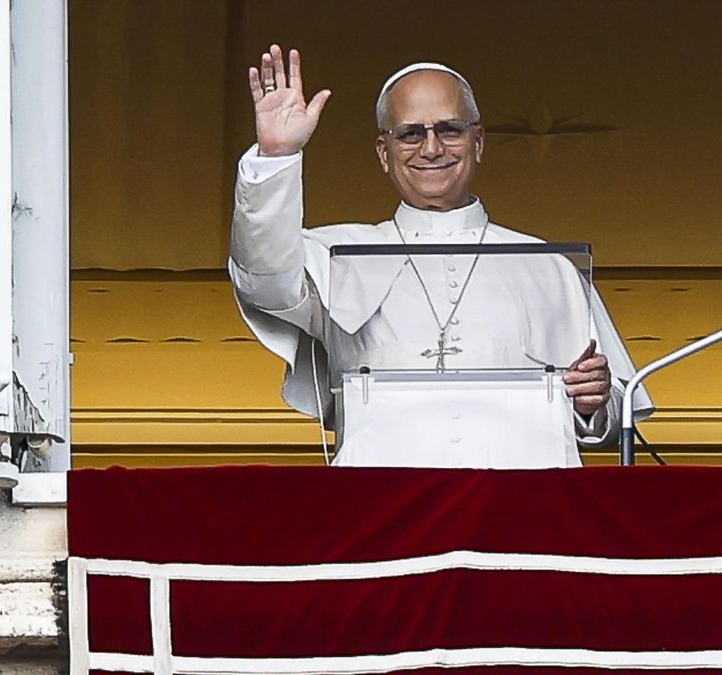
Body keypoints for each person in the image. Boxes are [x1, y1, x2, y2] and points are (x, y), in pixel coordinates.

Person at [229, 45, 654, 467]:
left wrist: (592, 401)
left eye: (450, 130)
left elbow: (614, 406)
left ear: (478, 142)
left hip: (522, 500)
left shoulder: (550, 267)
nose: (431, 148)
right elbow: (264, 281)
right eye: (410, 134)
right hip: (381, 498)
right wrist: (276, 157)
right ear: (383, 152)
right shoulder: (336, 256)